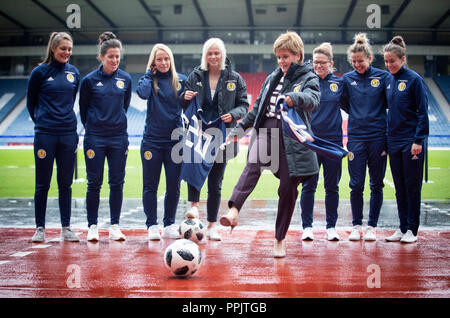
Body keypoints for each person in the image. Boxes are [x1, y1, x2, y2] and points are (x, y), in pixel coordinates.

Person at [219, 31, 320, 257]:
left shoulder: (308, 78)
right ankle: (234, 209)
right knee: (253, 164)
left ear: (298, 55)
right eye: (278, 57)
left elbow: (313, 100)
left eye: (285, 56)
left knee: (287, 190)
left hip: (291, 137)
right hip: (266, 130)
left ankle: (279, 238)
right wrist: (238, 130)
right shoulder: (272, 77)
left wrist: (295, 98)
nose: (281, 61)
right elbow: (257, 109)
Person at [181, 38, 249, 241]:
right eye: (209, 53)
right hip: (198, 133)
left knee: (215, 182)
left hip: (222, 135)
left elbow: (244, 104)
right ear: (205, 56)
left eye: (216, 53)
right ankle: (193, 207)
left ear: (222, 55)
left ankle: (211, 225)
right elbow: (183, 101)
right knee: (194, 169)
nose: (213, 57)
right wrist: (183, 97)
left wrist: (234, 114)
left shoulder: (235, 78)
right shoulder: (195, 75)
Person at [27, 32, 80, 242]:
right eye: (63, 49)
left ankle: (66, 227)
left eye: (69, 49)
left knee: (65, 183)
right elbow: (31, 103)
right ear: (53, 49)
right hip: (45, 134)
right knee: (42, 183)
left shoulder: (74, 73)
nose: (66, 53)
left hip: (68, 134)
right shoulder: (39, 73)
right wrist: (43, 121)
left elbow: (72, 100)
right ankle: (40, 227)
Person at [79, 32, 132, 241]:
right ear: (101, 57)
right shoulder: (89, 81)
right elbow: (83, 110)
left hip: (119, 138)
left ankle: (115, 225)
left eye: (117, 56)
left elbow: (124, 106)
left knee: (117, 182)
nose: (115, 60)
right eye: (110, 56)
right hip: (95, 138)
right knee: (94, 183)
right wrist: (94, 127)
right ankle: (92, 226)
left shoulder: (125, 79)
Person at [340, 33, 391, 241]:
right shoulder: (346, 79)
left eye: (360, 61)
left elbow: (390, 103)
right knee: (356, 184)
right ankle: (356, 226)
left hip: (379, 137)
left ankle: (371, 227)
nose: (357, 65)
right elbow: (344, 104)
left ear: (370, 59)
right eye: (353, 62)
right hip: (356, 138)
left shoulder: (383, 77)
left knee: (376, 184)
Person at [137, 43, 186, 240]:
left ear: (171, 60)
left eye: (167, 59)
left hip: (175, 142)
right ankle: (151, 225)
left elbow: (189, 105)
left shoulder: (181, 80)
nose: (164, 62)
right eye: (159, 59)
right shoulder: (149, 80)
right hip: (152, 141)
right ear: (153, 62)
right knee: (150, 185)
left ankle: (169, 224)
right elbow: (142, 93)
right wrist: (150, 73)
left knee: (174, 185)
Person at [383, 36, 429, 243]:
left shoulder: (414, 79)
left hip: (411, 142)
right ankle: (402, 227)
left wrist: (418, 140)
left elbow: (422, 112)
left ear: (402, 59)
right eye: (386, 61)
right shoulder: (389, 81)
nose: (389, 65)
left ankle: (413, 229)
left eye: (392, 61)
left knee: (412, 187)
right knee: (399, 187)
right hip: (394, 141)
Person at [299, 42, 343, 241]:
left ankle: (331, 227)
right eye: (315, 62)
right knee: (309, 186)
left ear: (330, 63)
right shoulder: (307, 83)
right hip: (311, 142)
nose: (318, 66)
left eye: (322, 63)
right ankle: (307, 227)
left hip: (333, 143)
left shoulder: (340, 85)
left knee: (332, 187)